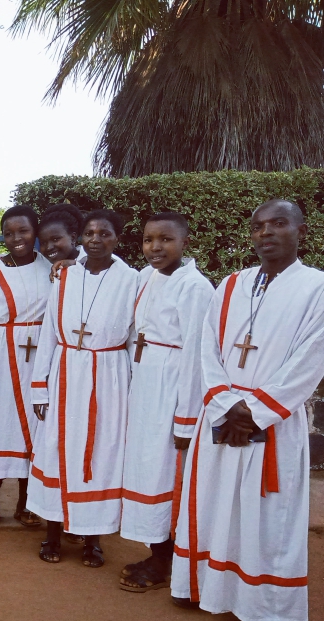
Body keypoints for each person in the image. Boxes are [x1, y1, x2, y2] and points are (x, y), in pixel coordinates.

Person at [172, 199, 324, 621]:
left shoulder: (316, 287)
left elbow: (311, 358)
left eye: (278, 223)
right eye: (258, 226)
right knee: (215, 503)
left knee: (270, 517)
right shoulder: (231, 285)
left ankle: (270, 609)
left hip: (273, 420)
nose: (266, 232)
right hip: (222, 415)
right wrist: (225, 404)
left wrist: (255, 412)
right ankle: (205, 586)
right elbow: (207, 347)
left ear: (301, 230)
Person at [28, 209, 139, 567]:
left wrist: (133, 390)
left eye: (104, 233)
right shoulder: (64, 276)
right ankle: (53, 533)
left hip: (108, 376)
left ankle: (93, 538)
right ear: (81, 238)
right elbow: (49, 332)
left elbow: (134, 338)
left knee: (100, 455)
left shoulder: (131, 280)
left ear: (117, 238)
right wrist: (40, 388)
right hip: (65, 372)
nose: (95, 239)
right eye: (90, 233)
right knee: (57, 450)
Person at [118, 213, 214, 592]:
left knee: (166, 473)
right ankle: (156, 549)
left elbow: (196, 356)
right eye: (148, 240)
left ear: (185, 242)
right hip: (144, 385)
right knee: (145, 469)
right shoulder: (146, 276)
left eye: (166, 239)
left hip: (171, 388)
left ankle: (168, 560)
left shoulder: (195, 287)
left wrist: (186, 418)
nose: (155, 247)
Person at [0, 205, 52, 527]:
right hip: (2, 358)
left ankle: (25, 503)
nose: (16, 238)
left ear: (35, 233)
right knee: (0, 430)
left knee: (33, 429)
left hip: (40, 358)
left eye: (23, 231)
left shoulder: (50, 268)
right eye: (9, 233)